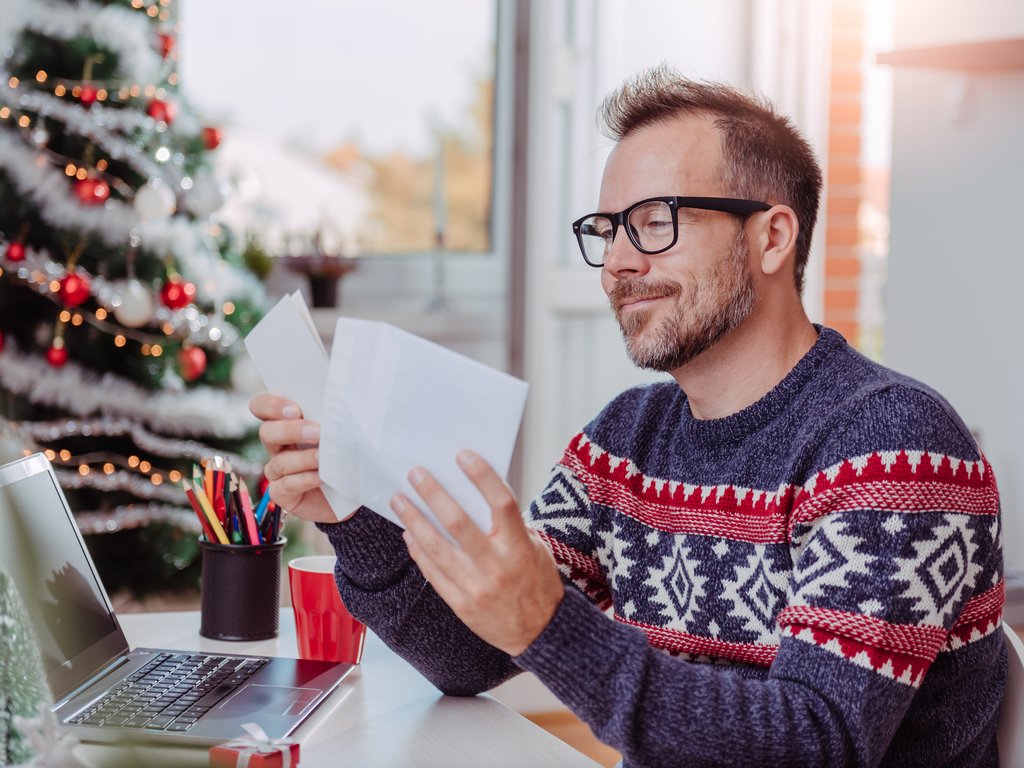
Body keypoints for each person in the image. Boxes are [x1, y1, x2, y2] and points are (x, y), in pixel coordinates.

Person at [250, 65, 1005, 767]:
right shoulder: (627, 440)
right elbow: (469, 658)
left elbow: (819, 742)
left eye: (653, 222)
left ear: (772, 236)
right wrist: (349, 511)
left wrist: (550, 623)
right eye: (607, 230)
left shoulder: (892, 447)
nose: (617, 263)